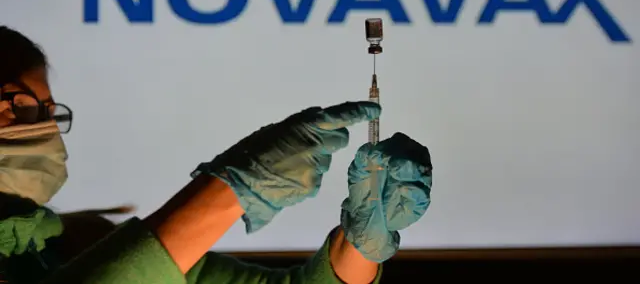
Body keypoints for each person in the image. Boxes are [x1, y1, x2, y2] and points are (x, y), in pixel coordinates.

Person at [0, 25, 433, 284]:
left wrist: (358, 243)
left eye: (44, 111)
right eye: (16, 105)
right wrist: (235, 186)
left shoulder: (71, 243)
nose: (37, 125)